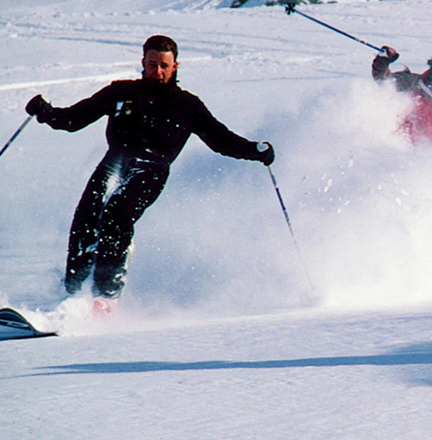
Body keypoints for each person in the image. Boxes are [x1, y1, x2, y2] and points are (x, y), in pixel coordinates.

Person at [24, 35, 275, 303]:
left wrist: (254, 151)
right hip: (115, 161)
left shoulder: (188, 105)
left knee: (115, 216)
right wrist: (45, 112)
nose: (157, 72)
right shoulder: (121, 92)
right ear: (143, 62)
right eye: (152, 64)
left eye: (164, 66)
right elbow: (73, 119)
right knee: (87, 217)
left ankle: (105, 298)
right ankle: (72, 292)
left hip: (152, 169)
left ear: (175, 66)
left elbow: (220, 139)